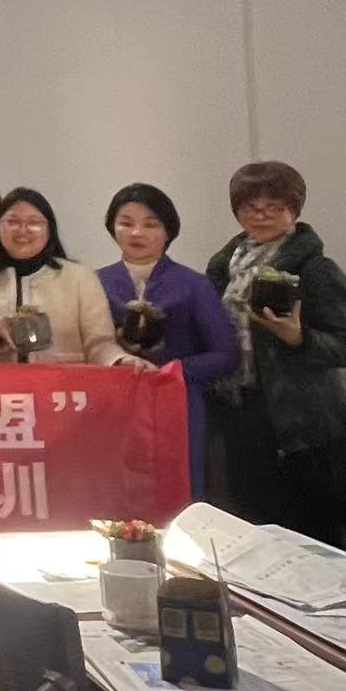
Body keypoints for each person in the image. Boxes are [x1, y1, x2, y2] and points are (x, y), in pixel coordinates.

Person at [205, 161, 346, 545]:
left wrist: (299, 338)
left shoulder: (315, 269)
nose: (262, 215)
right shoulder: (223, 268)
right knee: (252, 522)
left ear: (294, 210)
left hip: (299, 421)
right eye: (251, 207)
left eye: (275, 207)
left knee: (307, 530)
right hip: (239, 407)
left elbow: (343, 342)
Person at [96, 184, 238, 498]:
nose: (137, 233)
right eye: (126, 223)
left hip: (179, 402)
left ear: (168, 231)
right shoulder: (94, 282)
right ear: (112, 228)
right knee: (116, 489)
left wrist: (171, 371)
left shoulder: (194, 284)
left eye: (150, 224)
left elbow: (226, 354)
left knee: (179, 487)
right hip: (114, 405)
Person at [0, 188, 120, 365]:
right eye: (12, 222)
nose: (23, 230)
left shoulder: (80, 277)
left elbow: (100, 344)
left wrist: (120, 361)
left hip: (63, 381)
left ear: (49, 229)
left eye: (34, 223)